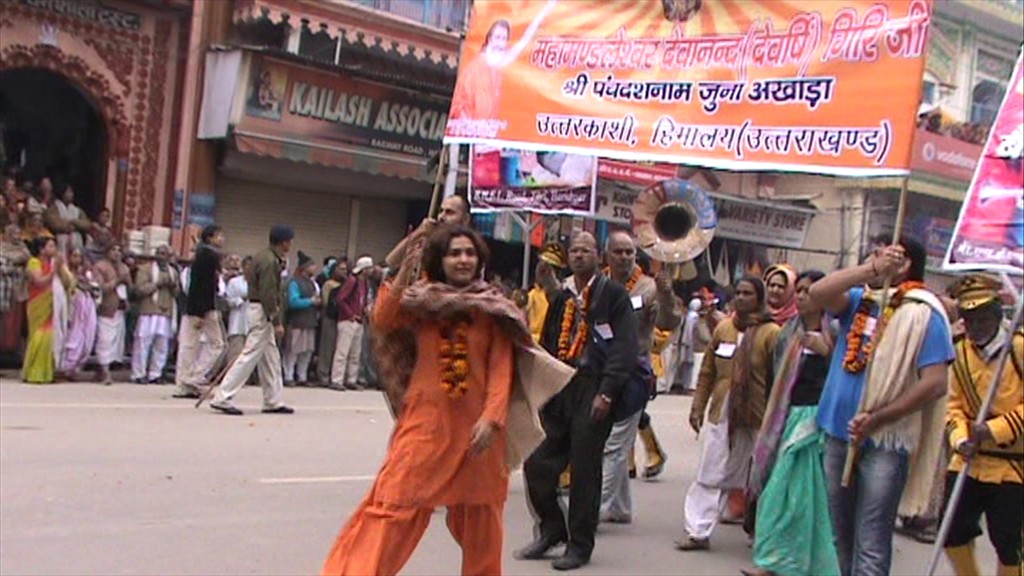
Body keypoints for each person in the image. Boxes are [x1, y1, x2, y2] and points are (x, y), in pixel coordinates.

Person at [321, 225, 520, 576]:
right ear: (440, 260)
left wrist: (492, 419)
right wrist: (403, 273)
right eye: (454, 253)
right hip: (426, 424)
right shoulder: (422, 302)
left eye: (470, 253)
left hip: (479, 432)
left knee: (483, 520)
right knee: (395, 503)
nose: (463, 260)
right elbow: (384, 317)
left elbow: (501, 368)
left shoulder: (495, 308)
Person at [809, 237, 954, 576]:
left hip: (885, 441)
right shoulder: (859, 300)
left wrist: (879, 418)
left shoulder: (924, 313)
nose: (874, 258)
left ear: (905, 263)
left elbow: (935, 383)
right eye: (875, 254)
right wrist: (873, 269)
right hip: (838, 433)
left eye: (882, 254)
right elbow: (817, 293)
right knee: (838, 534)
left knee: (871, 539)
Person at [517, 231, 639, 571]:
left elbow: (624, 348)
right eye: (575, 250)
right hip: (562, 385)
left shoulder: (613, 295)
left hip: (594, 387)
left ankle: (580, 544)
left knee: (585, 469)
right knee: (538, 461)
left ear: (598, 256)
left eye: (586, 250)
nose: (580, 255)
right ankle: (552, 527)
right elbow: (549, 343)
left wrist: (607, 392)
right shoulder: (563, 296)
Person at [743, 270, 840, 576]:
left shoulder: (835, 332)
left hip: (818, 420)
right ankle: (773, 560)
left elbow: (846, 374)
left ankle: (791, 563)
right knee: (778, 494)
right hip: (786, 416)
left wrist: (827, 352)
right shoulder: (789, 332)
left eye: (808, 291)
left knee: (802, 496)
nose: (801, 296)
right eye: (798, 290)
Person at [677, 276, 780, 551]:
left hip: (758, 416)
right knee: (710, 470)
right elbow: (708, 372)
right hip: (722, 413)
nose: (742, 298)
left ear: (759, 299)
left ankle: (764, 537)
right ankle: (698, 531)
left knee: (761, 475)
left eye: (748, 293)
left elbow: (779, 378)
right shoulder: (724, 329)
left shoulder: (772, 333)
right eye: (739, 293)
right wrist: (698, 407)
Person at [941, 273, 1023, 576]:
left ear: (996, 314)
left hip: (1013, 465)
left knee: (1008, 542)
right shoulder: (960, 351)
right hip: (970, 460)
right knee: (951, 534)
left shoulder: (1018, 347)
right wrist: (961, 439)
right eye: (969, 319)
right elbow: (953, 406)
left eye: (982, 318)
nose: (975, 326)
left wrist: (995, 428)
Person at [599, 231, 680, 523]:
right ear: (607, 255)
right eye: (618, 252)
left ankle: (597, 508)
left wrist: (667, 295)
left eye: (629, 252)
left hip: (634, 376)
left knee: (614, 444)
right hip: (602, 372)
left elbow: (668, 321)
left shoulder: (649, 288)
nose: (624, 257)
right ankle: (620, 508)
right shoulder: (599, 284)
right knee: (610, 442)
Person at [209, 225, 295, 416]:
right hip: (262, 310)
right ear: (284, 242)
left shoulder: (264, 256)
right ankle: (223, 396)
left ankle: (273, 400)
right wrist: (276, 320)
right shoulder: (269, 261)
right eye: (290, 241)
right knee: (249, 354)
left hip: (258, 308)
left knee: (271, 357)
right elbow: (268, 293)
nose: (291, 244)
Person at [449, 0, 557, 121]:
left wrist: (546, 9)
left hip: (489, 127)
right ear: (489, 39)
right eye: (497, 37)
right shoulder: (474, 67)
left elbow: (526, 38)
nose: (500, 44)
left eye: (504, 39)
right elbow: (460, 103)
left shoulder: (500, 62)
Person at [174, 225, 226, 399]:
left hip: (199, 307)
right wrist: (200, 312)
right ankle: (194, 378)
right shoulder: (207, 256)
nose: (222, 239)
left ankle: (185, 382)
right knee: (216, 344)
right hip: (202, 308)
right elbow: (201, 286)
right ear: (210, 238)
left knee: (189, 345)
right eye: (219, 236)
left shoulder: (203, 255)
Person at [22, 236, 70, 384]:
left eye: (54, 246)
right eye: (50, 246)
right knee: (39, 336)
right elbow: (39, 282)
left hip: (53, 305)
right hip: (38, 304)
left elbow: (68, 283)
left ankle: (47, 373)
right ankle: (34, 373)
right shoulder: (34, 262)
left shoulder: (55, 263)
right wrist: (54, 271)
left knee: (51, 337)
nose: (54, 249)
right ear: (41, 249)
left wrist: (61, 268)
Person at [385, 195, 472, 273]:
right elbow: (390, 263)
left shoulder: (470, 247)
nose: (441, 217)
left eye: (449, 212)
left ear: (465, 219)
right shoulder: (430, 242)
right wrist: (419, 232)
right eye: (441, 211)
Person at [131, 245, 178, 384]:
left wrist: (172, 286)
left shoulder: (173, 272)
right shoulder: (145, 269)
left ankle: (155, 374)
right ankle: (138, 374)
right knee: (142, 343)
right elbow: (139, 290)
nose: (160, 256)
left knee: (162, 345)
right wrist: (157, 284)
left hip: (165, 312)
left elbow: (177, 294)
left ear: (169, 257)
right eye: (158, 253)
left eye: (164, 254)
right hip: (148, 311)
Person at [57, 246, 99, 381]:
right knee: (71, 337)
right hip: (71, 308)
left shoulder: (87, 274)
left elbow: (95, 290)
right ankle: (64, 368)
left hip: (87, 307)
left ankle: (74, 369)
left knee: (86, 338)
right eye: (74, 256)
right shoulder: (64, 272)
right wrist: (79, 283)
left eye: (80, 256)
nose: (77, 259)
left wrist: (87, 284)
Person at [331, 256, 372, 391]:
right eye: (369, 268)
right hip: (348, 320)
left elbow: (363, 300)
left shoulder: (365, 283)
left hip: (359, 320)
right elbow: (341, 299)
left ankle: (351, 379)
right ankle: (336, 379)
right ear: (363, 269)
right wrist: (350, 314)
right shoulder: (352, 281)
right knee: (342, 351)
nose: (371, 270)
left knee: (355, 353)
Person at [93, 243, 131, 385]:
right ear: (107, 252)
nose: (116, 252)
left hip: (120, 308)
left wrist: (127, 281)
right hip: (106, 308)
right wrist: (117, 281)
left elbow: (130, 287)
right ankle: (105, 373)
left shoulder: (124, 267)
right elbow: (100, 288)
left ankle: (101, 370)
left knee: (115, 342)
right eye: (113, 249)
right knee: (105, 340)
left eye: (119, 250)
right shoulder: (99, 266)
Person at [282, 251, 321, 386]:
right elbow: (293, 302)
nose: (314, 268)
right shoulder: (294, 282)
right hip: (296, 322)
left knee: (307, 351)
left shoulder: (313, 283)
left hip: (310, 321)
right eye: (312, 265)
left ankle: (302, 376)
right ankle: (288, 375)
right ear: (304, 268)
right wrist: (310, 301)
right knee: (292, 350)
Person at [0, 224, 30, 358]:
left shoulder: (23, 247)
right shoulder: (1, 247)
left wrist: (14, 261)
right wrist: (15, 265)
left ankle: (15, 351)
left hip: (20, 290)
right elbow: (3, 269)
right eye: (14, 234)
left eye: (18, 234)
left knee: (18, 322)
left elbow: (27, 258)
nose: (16, 237)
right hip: (4, 290)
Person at [317, 258, 347, 386]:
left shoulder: (347, 284)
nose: (344, 272)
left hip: (342, 319)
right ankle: (323, 373)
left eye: (345, 269)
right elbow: (325, 301)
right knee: (327, 347)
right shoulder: (329, 284)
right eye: (341, 269)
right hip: (329, 317)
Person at [223, 255, 250, 373]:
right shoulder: (234, 282)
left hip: (252, 322)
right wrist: (241, 299)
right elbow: (228, 300)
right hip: (237, 321)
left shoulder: (258, 282)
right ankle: (231, 375)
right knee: (235, 352)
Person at [47, 184, 91, 256]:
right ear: (62, 194)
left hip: (76, 242)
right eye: (68, 192)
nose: (71, 194)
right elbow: (56, 225)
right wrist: (76, 226)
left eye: (71, 192)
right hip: (60, 242)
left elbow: (87, 224)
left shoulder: (77, 209)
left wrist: (73, 221)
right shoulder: (54, 208)